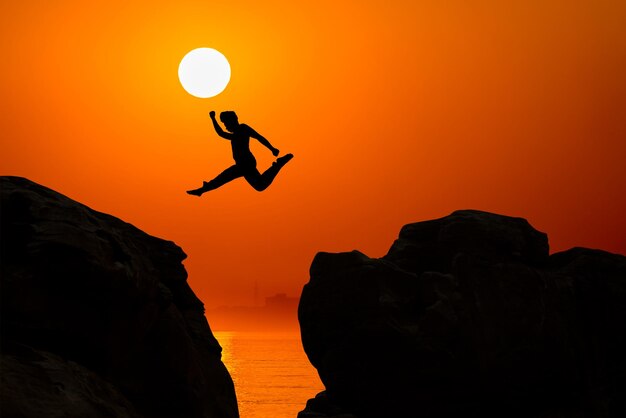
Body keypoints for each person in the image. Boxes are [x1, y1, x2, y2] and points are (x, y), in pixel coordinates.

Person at [187, 111, 293, 196]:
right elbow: (221, 133)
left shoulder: (243, 129)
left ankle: (203, 189)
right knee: (260, 185)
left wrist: (272, 148)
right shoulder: (235, 134)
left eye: (226, 123)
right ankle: (278, 164)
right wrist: (213, 119)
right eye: (224, 124)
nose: (226, 126)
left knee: (223, 178)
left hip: (246, 164)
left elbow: (258, 137)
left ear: (233, 120)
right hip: (242, 164)